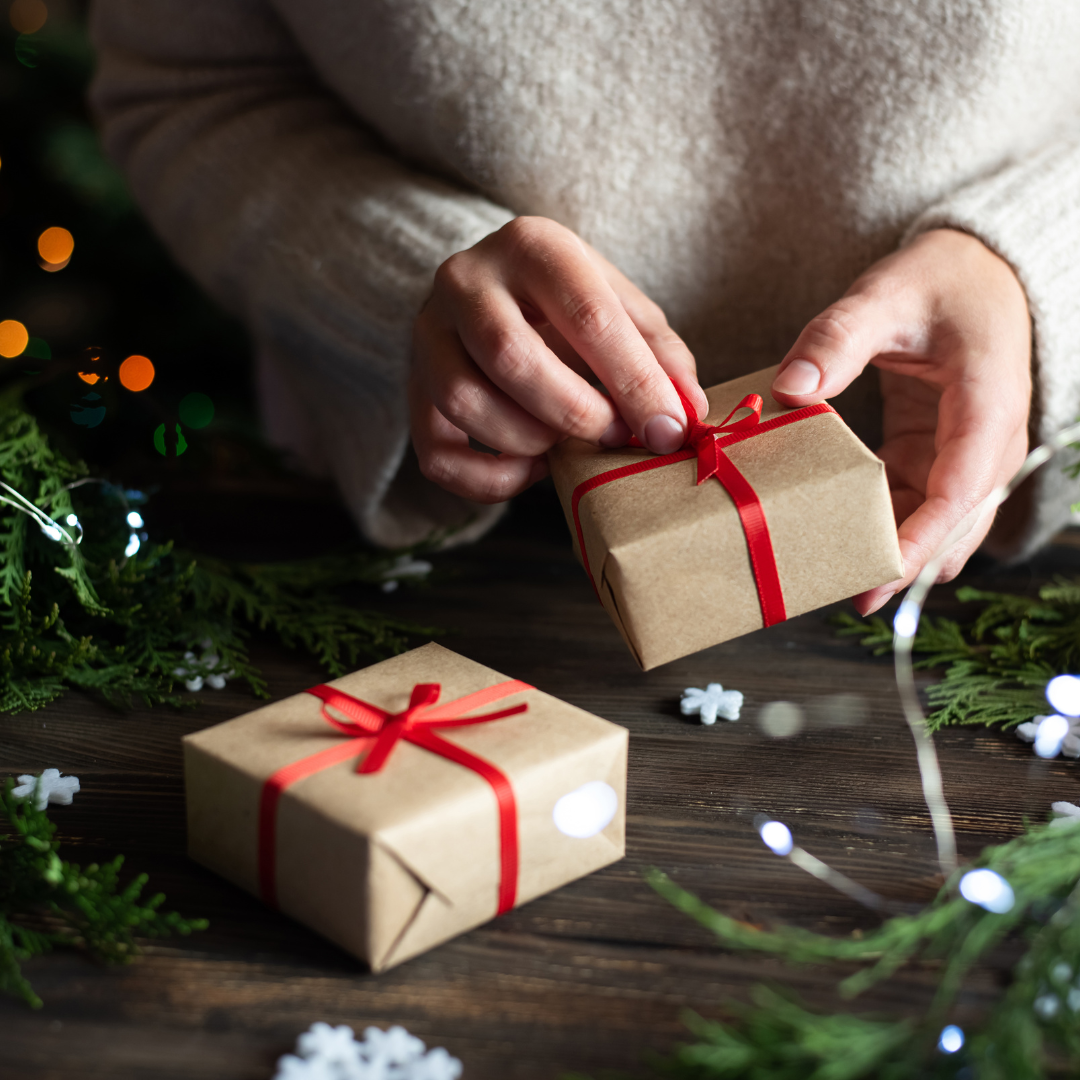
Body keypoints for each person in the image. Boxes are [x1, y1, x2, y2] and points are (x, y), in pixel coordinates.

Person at [90, 2, 1080, 616]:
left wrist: (1034, 271)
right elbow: (189, 88)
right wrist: (405, 288)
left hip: (996, 572)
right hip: (432, 577)